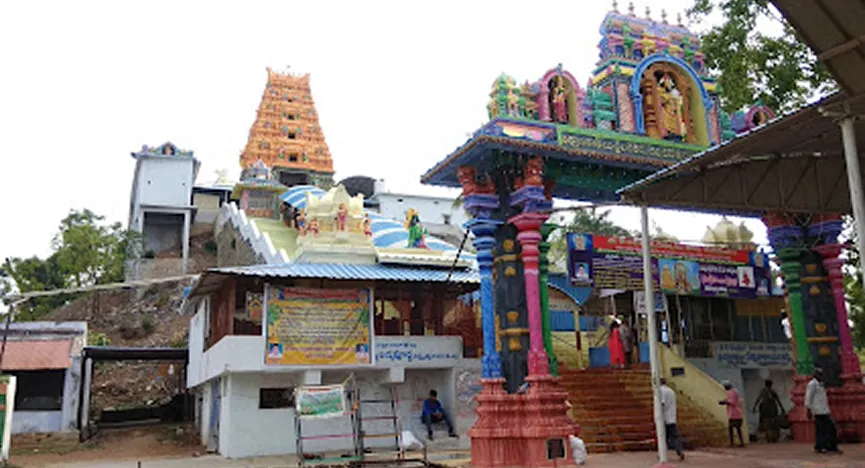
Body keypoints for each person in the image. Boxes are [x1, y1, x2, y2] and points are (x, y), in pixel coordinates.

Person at [806, 368, 842, 454]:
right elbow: (808, 397)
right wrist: (808, 410)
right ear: (815, 375)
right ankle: (823, 447)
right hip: (818, 411)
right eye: (819, 374)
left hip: (825, 410)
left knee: (828, 429)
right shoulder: (812, 384)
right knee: (824, 429)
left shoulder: (821, 384)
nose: (821, 376)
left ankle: (827, 446)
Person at [659, 378, 685, 461]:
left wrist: (659, 416)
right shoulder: (671, 391)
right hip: (672, 417)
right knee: (675, 436)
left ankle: (662, 454)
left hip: (664, 418)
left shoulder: (660, 391)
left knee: (663, 437)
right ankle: (680, 451)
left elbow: (662, 404)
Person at [719, 381, 745, 447]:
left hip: (734, 414)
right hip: (737, 413)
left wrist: (724, 402)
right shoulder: (735, 391)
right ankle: (741, 442)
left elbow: (732, 402)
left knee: (731, 428)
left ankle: (732, 443)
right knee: (738, 428)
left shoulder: (731, 392)